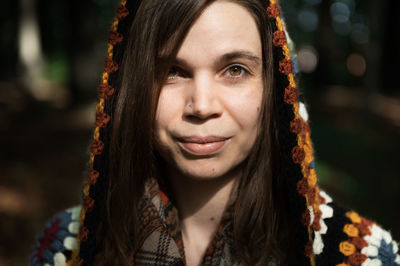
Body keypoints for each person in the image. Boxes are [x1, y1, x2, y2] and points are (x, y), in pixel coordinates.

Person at [31, 0, 400, 265]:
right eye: (171, 71)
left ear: (275, 90)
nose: (202, 105)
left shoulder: (359, 254)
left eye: (235, 69)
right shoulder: (66, 245)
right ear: (132, 89)